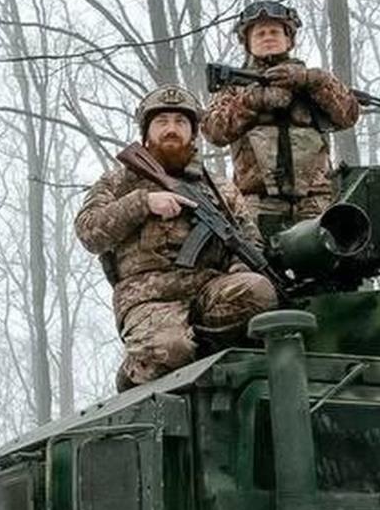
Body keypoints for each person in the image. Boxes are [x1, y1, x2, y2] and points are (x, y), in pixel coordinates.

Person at [76, 85, 278, 390]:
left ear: (193, 133)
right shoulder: (118, 181)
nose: (172, 129)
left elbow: (248, 237)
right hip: (149, 299)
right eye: (162, 122)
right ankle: (139, 366)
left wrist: (240, 267)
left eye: (181, 122)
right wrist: (143, 202)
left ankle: (195, 351)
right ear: (147, 131)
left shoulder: (218, 188)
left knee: (258, 291)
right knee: (171, 349)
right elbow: (89, 232)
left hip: (209, 292)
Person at [202, 0, 361, 237]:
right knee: (257, 269)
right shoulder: (233, 88)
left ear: (289, 39)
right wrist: (254, 100)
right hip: (257, 202)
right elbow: (214, 131)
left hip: (315, 202)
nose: (268, 37)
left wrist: (313, 81)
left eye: (275, 31)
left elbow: (348, 116)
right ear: (248, 43)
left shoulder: (313, 83)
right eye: (260, 33)